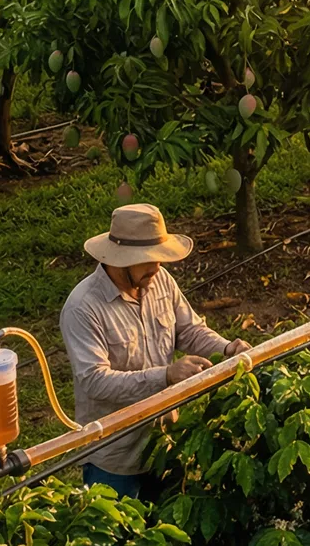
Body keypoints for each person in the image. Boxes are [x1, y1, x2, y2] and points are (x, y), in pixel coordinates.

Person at [59, 203, 251, 498]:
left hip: (164, 442)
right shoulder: (83, 308)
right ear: (121, 260)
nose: (158, 267)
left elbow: (188, 330)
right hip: (115, 456)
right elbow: (94, 380)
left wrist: (226, 349)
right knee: (119, 540)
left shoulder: (159, 281)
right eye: (148, 259)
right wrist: (165, 376)